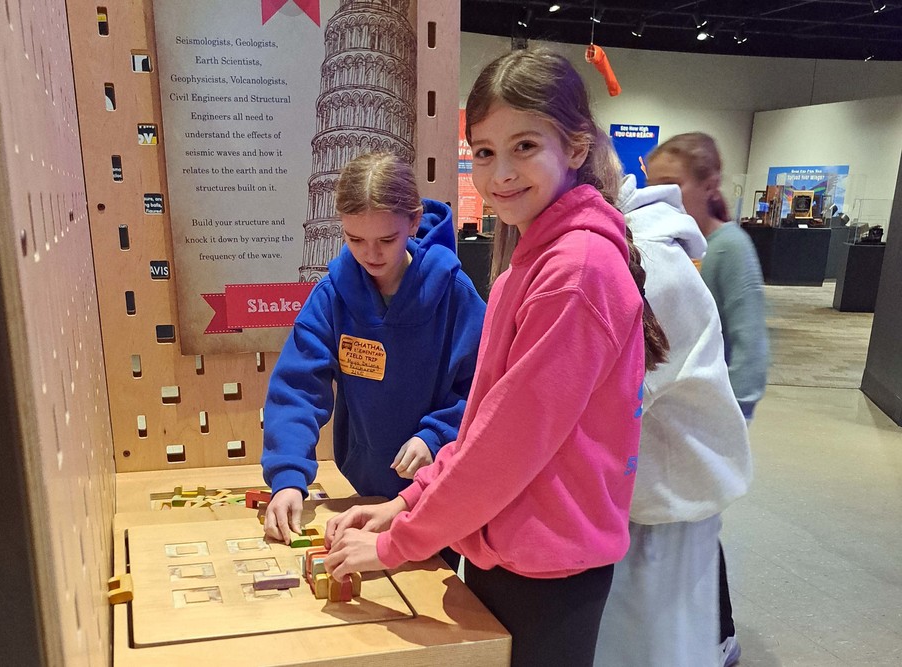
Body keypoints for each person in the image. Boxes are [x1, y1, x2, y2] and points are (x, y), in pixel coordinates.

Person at [321, 48, 669, 667]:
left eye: (524, 146)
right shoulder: (530, 264)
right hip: (506, 547)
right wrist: (406, 502)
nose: (500, 173)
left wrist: (400, 542)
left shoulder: (575, 272)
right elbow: (484, 423)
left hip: (545, 568)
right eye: (483, 152)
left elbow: (506, 446)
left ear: (577, 147)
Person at [261, 153, 486, 547]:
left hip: (436, 490)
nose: (371, 254)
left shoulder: (455, 294)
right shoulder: (332, 296)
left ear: (413, 222)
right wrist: (288, 479)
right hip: (363, 487)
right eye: (355, 240)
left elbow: (482, 389)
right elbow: (297, 389)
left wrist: (436, 435)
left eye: (386, 240)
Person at [593, 174, 753, 666]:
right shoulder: (612, 248)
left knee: (653, 650)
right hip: (642, 503)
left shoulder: (650, 262)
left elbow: (592, 407)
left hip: (665, 510)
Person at [646, 132, 769, 667]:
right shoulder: (670, 244)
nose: (660, 195)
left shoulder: (729, 249)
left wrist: (727, 423)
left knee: (699, 531)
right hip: (674, 425)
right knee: (687, 534)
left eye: (673, 184)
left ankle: (721, 636)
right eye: (653, 184)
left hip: (704, 423)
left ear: (709, 185)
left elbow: (750, 348)